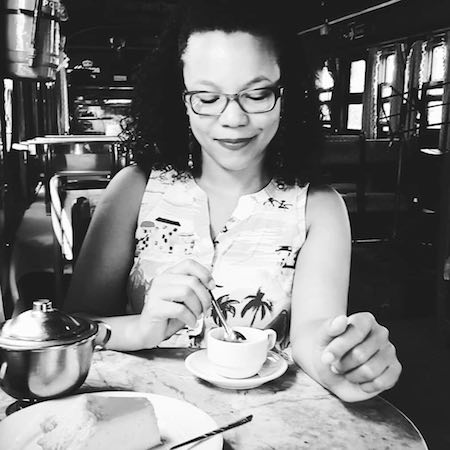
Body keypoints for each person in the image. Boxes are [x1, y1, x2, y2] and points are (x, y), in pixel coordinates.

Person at [65, 0, 401, 402]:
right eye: (207, 98)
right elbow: (70, 328)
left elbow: (313, 334)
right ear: (181, 99)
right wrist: (139, 328)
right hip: (145, 418)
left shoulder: (318, 207)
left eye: (257, 94)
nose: (233, 119)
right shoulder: (133, 191)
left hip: (266, 423)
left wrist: (345, 362)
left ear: (286, 94)